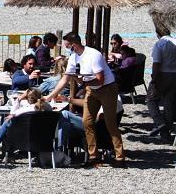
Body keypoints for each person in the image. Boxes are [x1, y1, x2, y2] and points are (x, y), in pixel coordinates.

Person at [44, 32, 125, 167]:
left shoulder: (94, 55)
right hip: (91, 89)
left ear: (74, 45)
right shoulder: (73, 57)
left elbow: (100, 80)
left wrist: (83, 82)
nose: (66, 49)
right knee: (87, 122)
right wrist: (51, 96)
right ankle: (93, 156)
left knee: (110, 123)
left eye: (67, 46)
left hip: (107, 89)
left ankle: (120, 157)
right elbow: (65, 78)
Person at [0, 88, 52, 155]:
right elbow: (49, 108)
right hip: (42, 134)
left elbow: (12, 112)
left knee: (7, 122)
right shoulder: (46, 106)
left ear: (26, 98)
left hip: (24, 135)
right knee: (8, 123)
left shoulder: (26, 110)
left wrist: (19, 98)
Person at [146, 24, 176, 141]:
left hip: (163, 74)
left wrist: (154, 80)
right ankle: (166, 133)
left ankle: (160, 122)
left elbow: (156, 63)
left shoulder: (159, 44)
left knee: (150, 99)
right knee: (169, 103)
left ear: (158, 34)